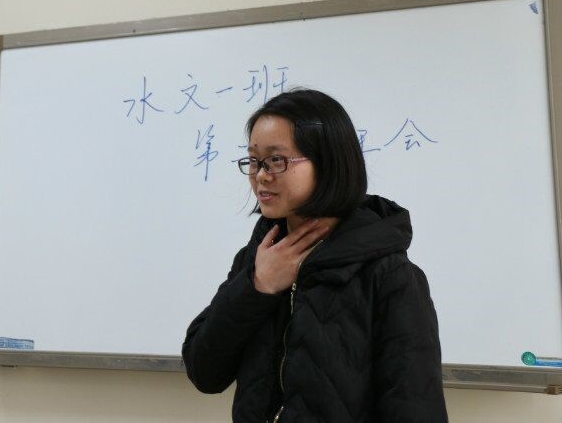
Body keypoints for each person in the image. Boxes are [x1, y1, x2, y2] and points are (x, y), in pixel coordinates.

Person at [182, 89, 447, 422]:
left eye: (276, 160)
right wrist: (258, 287)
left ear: (328, 162)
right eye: (254, 160)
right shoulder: (256, 259)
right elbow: (204, 372)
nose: (261, 174)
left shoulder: (388, 275)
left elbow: (415, 408)